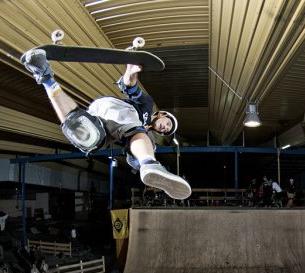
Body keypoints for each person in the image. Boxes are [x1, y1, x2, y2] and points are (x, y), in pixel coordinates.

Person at [20, 48, 191, 200]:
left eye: (167, 130)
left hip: (105, 125)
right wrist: (131, 72)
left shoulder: (146, 138)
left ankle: (44, 75)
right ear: (160, 115)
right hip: (115, 110)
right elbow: (130, 86)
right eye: (167, 123)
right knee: (139, 134)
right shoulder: (147, 105)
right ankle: (148, 164)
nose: (165, 128)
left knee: (87, 138)